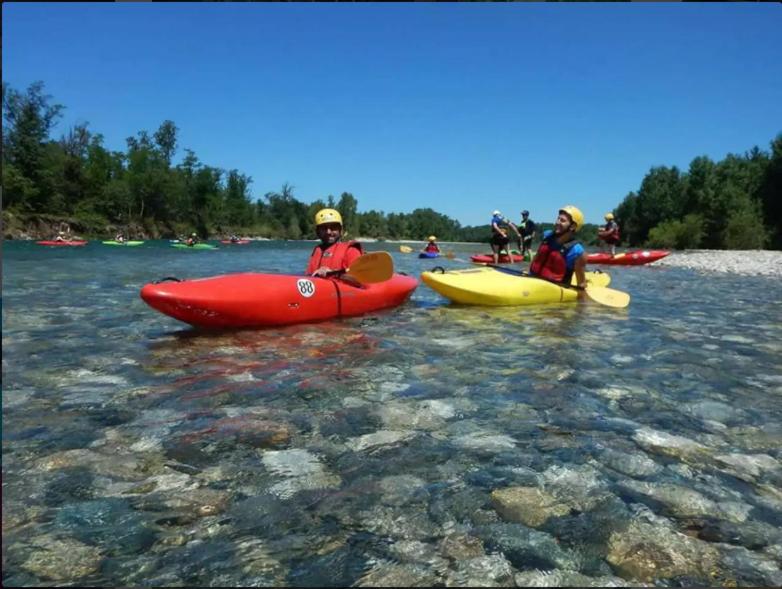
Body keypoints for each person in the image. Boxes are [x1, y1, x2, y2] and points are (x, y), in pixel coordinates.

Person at [529, 206, 588, 298]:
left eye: (562, 220)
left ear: (572, 226)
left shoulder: (578, 252)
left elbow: (581, 284)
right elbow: (536, 259)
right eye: (558, 219)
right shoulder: (547, 236)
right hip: (531, 282)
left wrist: (582, 305)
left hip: (554, 292)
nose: (557, 222)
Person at [306, 208, 364, 278]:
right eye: (324, 228)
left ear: (340, 230)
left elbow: (360, 278)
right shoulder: (317, 250)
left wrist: (333, 273)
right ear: (317, 231)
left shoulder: (351, 250)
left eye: (333, 227)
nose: (328, 232)